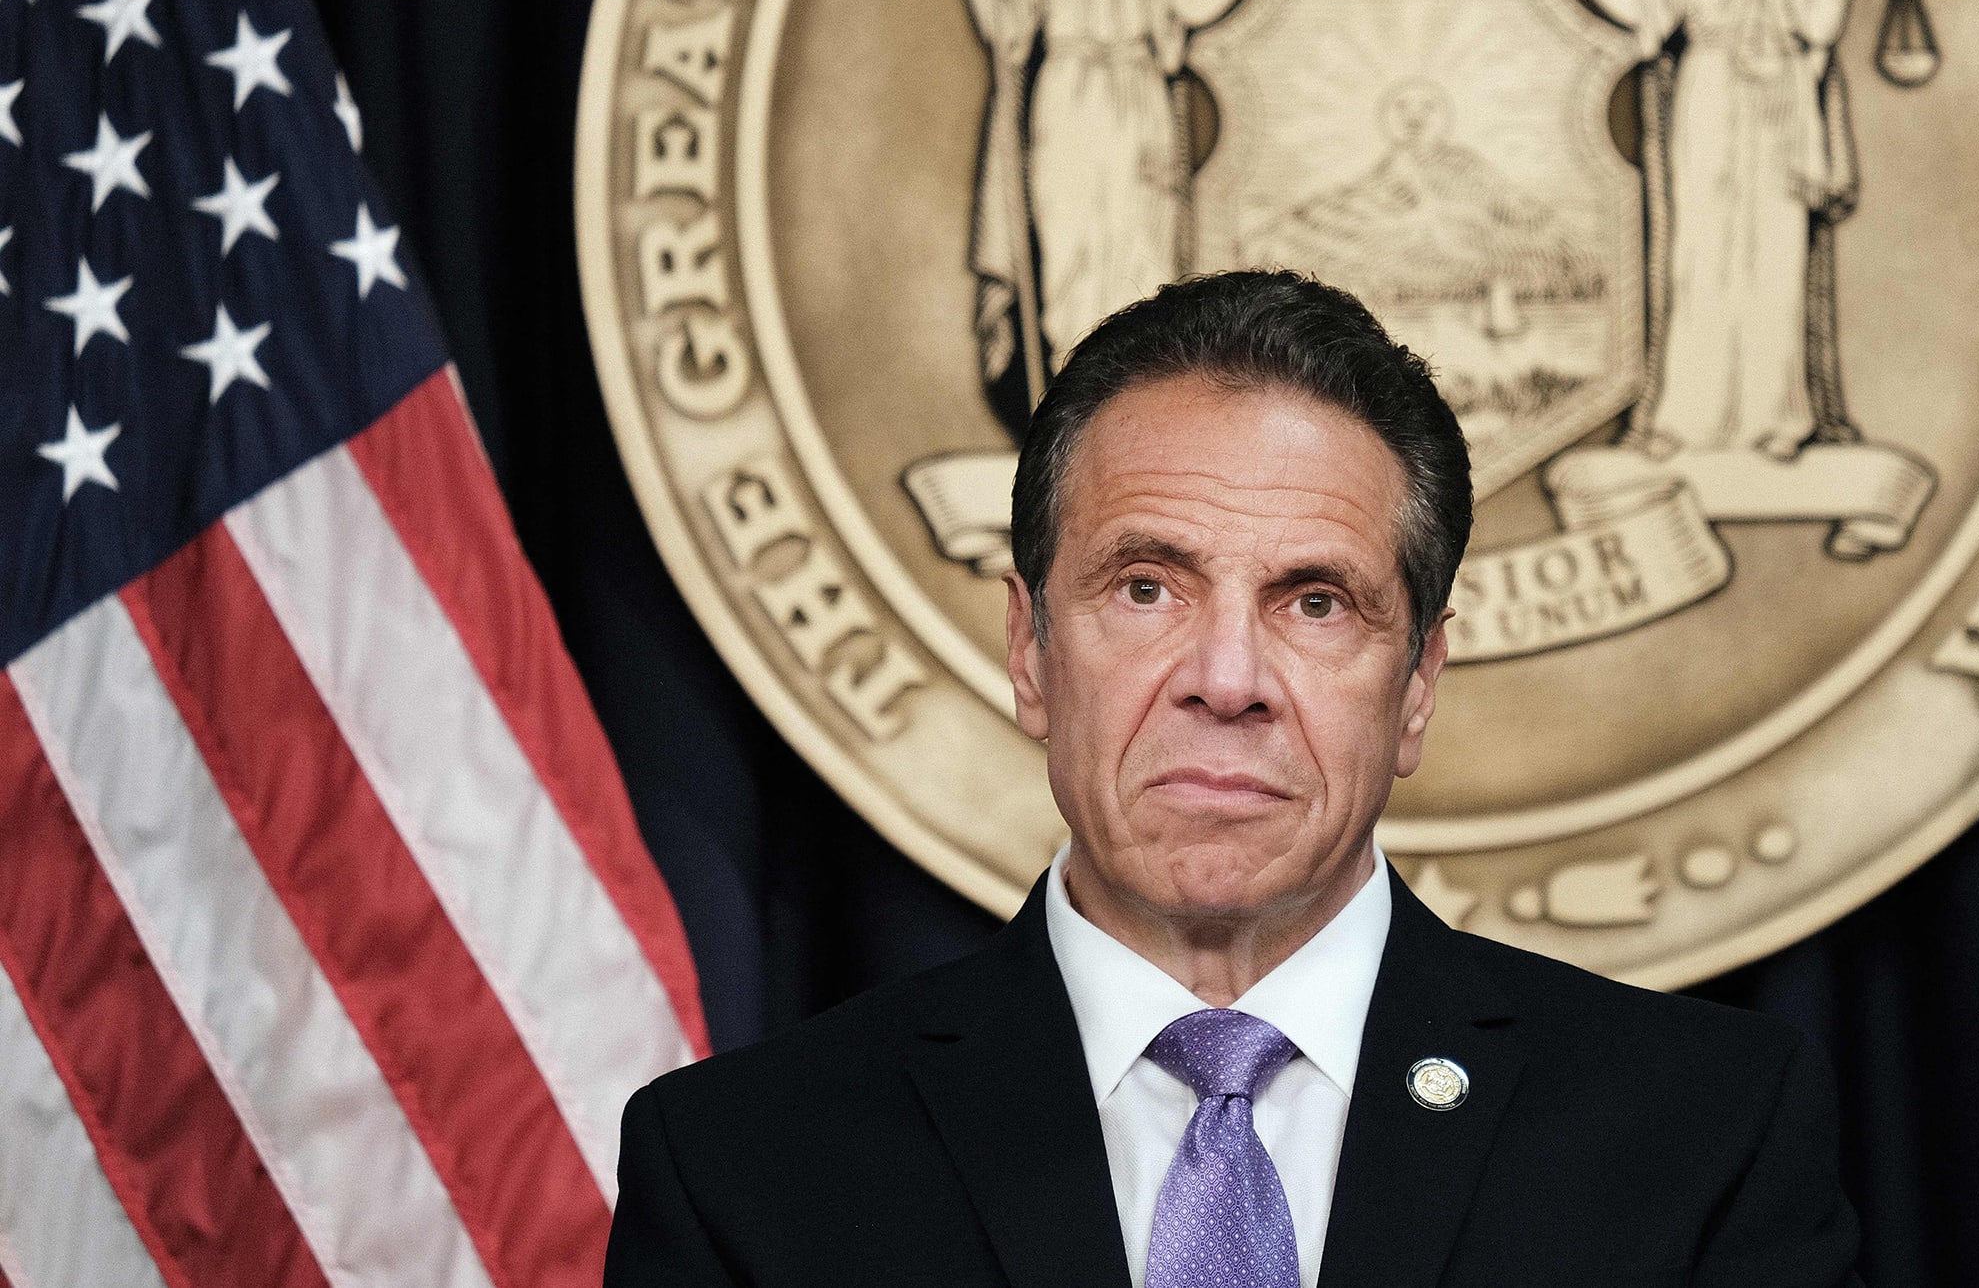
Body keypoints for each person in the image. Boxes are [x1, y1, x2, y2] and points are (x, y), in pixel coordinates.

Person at [605, 271, 1864, 1288]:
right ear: (1029, 648)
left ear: (1417, 681)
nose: (1225, 676)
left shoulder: (1702, 1139)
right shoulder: (745, 1170)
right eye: (1147, 587)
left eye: (1315, 602)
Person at [1520, 0, 1854, 460]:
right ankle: (1688, 418)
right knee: (1700, 254)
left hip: (1779, 98)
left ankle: (1773, 418)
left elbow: (1817, 24)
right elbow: (1638, 9)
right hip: (1710, 87)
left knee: (1775, 254)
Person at [955, 0, 1303, 379]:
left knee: (1141, 248)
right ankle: (1075, 390)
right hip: (1068, 102)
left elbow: (1191, 7)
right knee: (1069, 249)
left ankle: (1132, 393)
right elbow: (1003, 27)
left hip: (1137, 105)